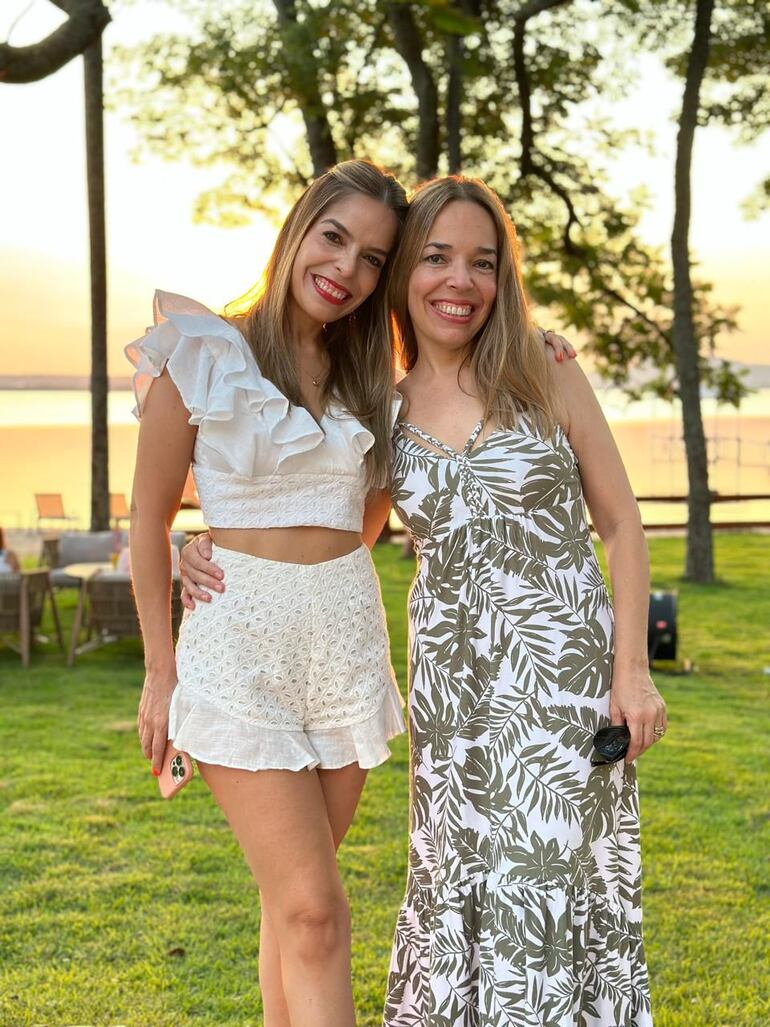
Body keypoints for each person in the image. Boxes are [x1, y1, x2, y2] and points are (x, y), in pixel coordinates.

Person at [126, 160, 411, 1027]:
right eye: (334, 237)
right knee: (317, 912)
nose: (347, 268)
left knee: (290, 908)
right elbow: (145, 519)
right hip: (238, 647)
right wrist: (158, 669)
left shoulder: (371, 379)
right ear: (299, 228)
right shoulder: (206, 350)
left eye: (372, 257)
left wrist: (549, 351)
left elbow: (356, 523)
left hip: (345, 649)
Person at [382, 177, 664, 1026]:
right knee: (456, 877)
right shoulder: (381, 408)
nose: (458, 280)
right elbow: (328, 538)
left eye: (482, 261)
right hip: (453, 690)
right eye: (436, 257)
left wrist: (634, 672)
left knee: (548, 879)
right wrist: (204, 542)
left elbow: (620, 524)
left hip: (560, 678)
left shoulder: (543, 368)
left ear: (503, 278)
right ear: (402, 271)